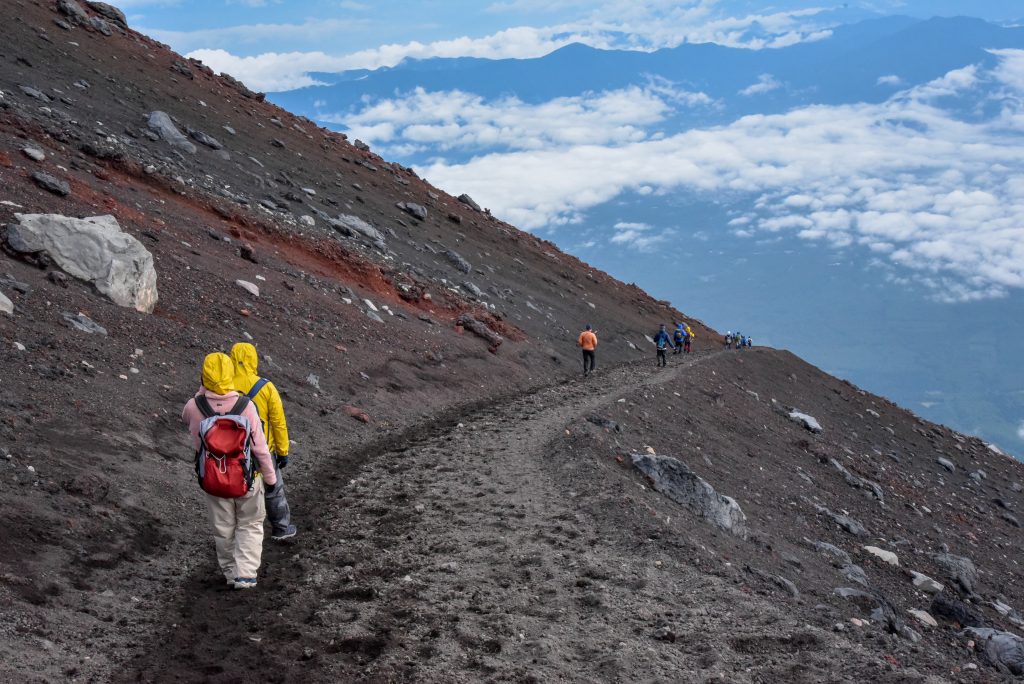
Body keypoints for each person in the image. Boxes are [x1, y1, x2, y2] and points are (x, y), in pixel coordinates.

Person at [182, 352, 277, 590]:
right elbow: (260, 447)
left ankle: (231, 574)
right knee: (251, 524)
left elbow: (190, 426)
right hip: (247, 478)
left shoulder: (194, 407)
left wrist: (202, 393)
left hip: (213, 478)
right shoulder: (246, 406)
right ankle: (246, 575)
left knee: (223, 528)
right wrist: (270, 478)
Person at [231, 342, 296, 541]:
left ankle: (236, 534)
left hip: (230, 451)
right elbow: (278, 422)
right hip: (263, 451)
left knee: (234, 493)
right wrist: (283, 451)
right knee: (273, 489)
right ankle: (281, 528)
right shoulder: (265, 387)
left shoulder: (224, 386)